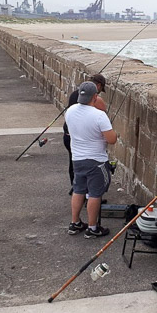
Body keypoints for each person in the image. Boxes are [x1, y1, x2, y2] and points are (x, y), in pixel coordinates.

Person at [65, 81, 117, 238]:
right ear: (95, 96)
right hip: (96, 160)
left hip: (77, 159)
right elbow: (112, 139)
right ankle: (93, 228)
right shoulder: (99, 116)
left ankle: (75, 223)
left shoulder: (70, 111)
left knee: (78, 190)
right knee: (95, 194)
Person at [63, 74, 107, 193]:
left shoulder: (74, 94)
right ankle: (88, 195)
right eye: (100, 90)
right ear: (97, 86)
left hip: (69, 136)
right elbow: (103, 118)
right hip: (85, 140)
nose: (99, 93)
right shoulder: (97, 100)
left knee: (74, 163)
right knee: (91, 170)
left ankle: (76, 188)